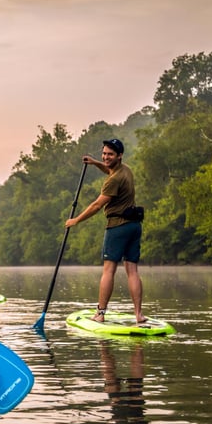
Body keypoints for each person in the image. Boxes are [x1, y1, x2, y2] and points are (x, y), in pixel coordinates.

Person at [65, 138, 146, 323]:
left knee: (108, 270)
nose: (106, 157)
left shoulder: (113, 180)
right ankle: (139, 315)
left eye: (110, 154)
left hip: (117, 226)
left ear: (119, 155)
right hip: (134, 226)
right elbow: (109, 168)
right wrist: (95, 163)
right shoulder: (125, 170)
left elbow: (96, 205)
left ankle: (100, 314)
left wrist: (76, 220)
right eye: (104, 153)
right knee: (132, 270)